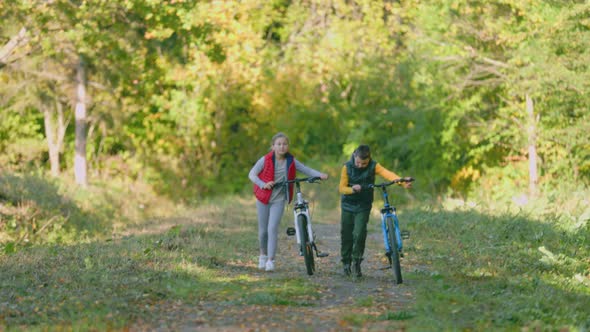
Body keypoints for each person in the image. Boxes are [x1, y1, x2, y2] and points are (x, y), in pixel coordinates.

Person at [249, 132, 329, 272]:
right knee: (263, 231)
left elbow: (306, 169)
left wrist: (319, 175)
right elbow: (252, 174)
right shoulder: (265, 159)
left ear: (288, 146)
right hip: (263, 197)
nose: (282, 147)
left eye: (284, 144)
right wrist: (263, 184)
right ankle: (263, 255)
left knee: (272, 228)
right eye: (278, 144)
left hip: (279, 199)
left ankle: (270, 260)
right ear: (273, 146)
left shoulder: (291, 161)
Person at [338, 144, 411, 278]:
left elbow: (387, 174)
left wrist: (401, 182)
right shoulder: (347, 167)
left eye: (364, 163)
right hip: (348, 204)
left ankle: (357, 263)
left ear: (369, 159)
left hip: (364, 204)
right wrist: (352, 189)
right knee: (346, 234)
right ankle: (346, 262)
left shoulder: (373, 165)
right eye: (358, 162)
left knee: (359, 233)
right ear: (354, 156)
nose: (360, 165)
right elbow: (341, 188)